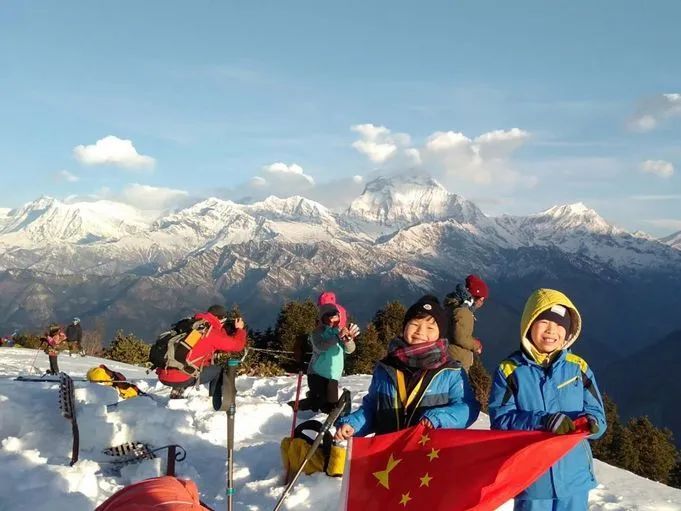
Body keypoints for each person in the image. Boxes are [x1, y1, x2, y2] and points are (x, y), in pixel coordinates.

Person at [488, 288, 606, 511]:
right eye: (544, 322)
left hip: (574, 478)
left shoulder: (578, 368)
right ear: (529, 324)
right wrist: (542, 421)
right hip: (532, 480)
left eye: (560, 325)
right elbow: (500, 420)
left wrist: (593, 424)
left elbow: (598, 415)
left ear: (568, 331)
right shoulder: (509, 370)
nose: (552, 330)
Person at [335, 295, 480, 440]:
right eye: (414, 324)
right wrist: (354, 424)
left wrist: (438, 418)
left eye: (430, 327)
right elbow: (373, 407)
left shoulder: (451, 372)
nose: (420, 331)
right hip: (387, 450)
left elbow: (468, 408)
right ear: (405, 327)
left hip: (427, 450)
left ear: (440, 333)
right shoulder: (386, 368)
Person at [156, 304, 247, 399]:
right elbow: (238, 346)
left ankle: (177, 390)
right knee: (218, 370)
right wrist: (240, 329)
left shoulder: (192, 326)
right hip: (181, 378)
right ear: (219, 319)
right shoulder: (210, 333)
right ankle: (214, 400)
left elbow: (198, 346)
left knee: (187, 359)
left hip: (163, 375)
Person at [300, 302, 359, 413]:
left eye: (335, 315)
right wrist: (338, 337)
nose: (333, 319)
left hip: (333, 376)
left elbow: (350, 350)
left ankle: (319, 411)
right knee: (320, 402)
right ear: (323, 318)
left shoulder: (340, 331)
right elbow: (321, 347)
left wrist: (348, 340)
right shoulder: (317, 332)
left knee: (331, 405)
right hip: (317, 374)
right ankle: (299, 408)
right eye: (329, 316)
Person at [444, 274, 489, 372]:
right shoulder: (464, 312)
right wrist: (476, 345)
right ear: (474, 298)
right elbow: (460, 338)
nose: (482, 303)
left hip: (448, 355)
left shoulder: (453, 306)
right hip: (457, 359)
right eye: (482, 300)